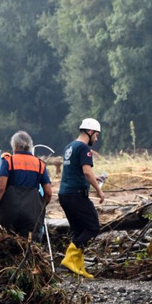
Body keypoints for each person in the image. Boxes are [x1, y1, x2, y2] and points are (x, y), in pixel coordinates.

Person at [58, 118, 105, 278]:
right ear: (90, 132)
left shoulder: (69, 147)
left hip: (64, 194)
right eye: (96, 135)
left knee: (79, 231)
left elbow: (76, 171)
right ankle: (69, 258)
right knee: (93, 227)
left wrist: (94, 177)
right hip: (76, 195)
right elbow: (86, 171)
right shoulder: (84, 148)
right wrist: (99, 190)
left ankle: (78, 267)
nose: (96, 139)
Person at [0, 131, 52, 239]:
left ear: (15, 146)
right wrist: (40, 207)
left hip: (9, 213)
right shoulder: (40, 164)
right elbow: (48, 193)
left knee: (7, 244)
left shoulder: (9, 161)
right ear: (30, 146)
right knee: (30, 247)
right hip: (31, 214)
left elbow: (0, 188)